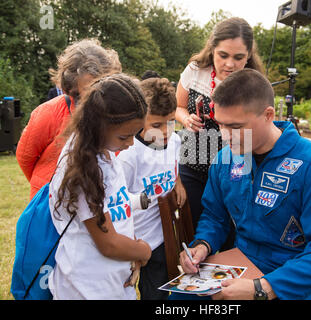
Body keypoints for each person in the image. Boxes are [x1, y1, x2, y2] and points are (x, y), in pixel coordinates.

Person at [179, 69, 311, 300]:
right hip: (240, 266)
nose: (225, 135)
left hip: (298, 280)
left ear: (268, 115)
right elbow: (215, 216)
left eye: (236, 126)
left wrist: (262, 288)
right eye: (221, 125)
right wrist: (202, 244)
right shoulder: (224, 159)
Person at [48, 73, 152, 300]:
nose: (131, 143)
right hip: (86, 289)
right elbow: (109, 244)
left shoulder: (104, 150)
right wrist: (143, 251)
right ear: (99, 126)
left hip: (113, 283)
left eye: (135, 135)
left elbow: (117, 210)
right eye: (125, 136)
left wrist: (130, 251)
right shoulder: (83, 166)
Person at [175, 17, 264, 237]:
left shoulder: (255, 82)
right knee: (195, 230)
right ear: (212, 49)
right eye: (223, 55)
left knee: (230, 231)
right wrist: (186, 119)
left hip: (233, 169)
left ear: (249, 56)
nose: (230, 64)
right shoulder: (195, 71)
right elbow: (177, 106)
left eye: (239, 57)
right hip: (193, 165)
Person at [16, 38, 122, 199]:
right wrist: (47, 183)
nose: (96, 91)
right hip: (52, 202)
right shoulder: (49, 112)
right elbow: (25, 157)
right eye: (89, 86)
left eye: (101, 83)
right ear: (72, 81)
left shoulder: (112, 112)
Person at [118, 78, 187, 300]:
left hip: (162, 238)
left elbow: (172, 163)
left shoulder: (175, 141)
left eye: (170, 122)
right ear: (139, 120)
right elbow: (118, 200)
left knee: (162, 292)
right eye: (156, 125)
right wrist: (132, 246)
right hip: (134, 241)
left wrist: (177, 182)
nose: (165, 131)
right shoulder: (129, 154)